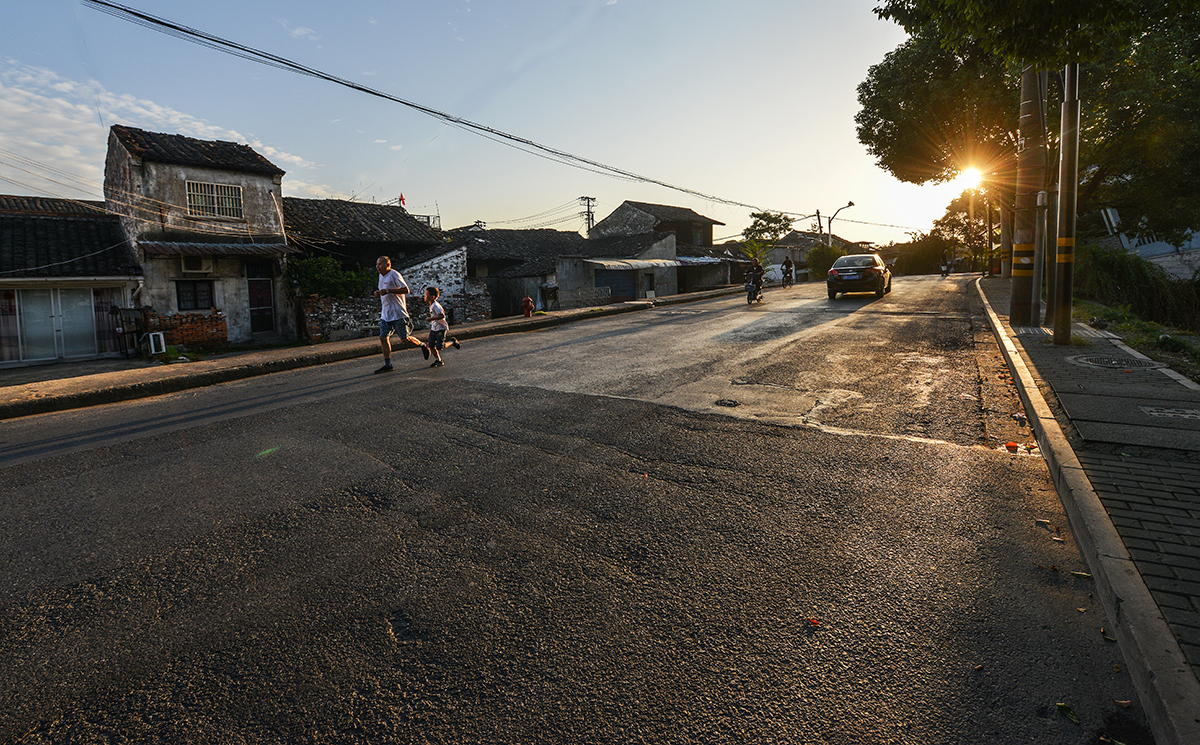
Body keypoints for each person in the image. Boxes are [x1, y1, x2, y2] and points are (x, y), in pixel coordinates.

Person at [373, 255, 428, 373]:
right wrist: (378, 293)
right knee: (383, 337)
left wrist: (388, 291)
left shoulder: (394, 274)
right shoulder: (380, 276)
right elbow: (384, 293)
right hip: (386, 314)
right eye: (377, 265)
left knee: (404, 339)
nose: (378, 267)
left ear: (388, 265)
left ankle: (423, 344)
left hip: (399, 313)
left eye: (380, 264)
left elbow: (406, 290)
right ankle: (388, 364)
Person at [423, 286, 461, 368]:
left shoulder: (436, 306)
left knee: (440, 347)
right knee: (431, 345)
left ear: (432, 297)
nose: (424, 296)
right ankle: (438, 360)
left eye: (426, 294)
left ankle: (452, 342)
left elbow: (441, 315)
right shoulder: (431, 305)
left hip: (441, 328)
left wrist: (431, 318)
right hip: (434, 328)